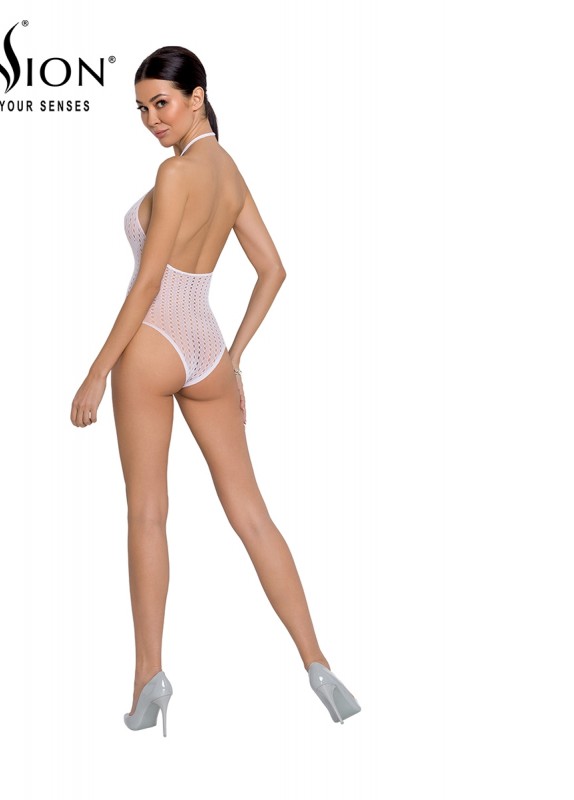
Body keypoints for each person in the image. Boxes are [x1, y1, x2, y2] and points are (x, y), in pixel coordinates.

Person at [69, 45, 360, 735]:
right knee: (252, 514)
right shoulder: (229, 172)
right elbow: (273, 269)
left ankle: (149, 677)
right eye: (141, 108)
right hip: (206, 348)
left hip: (153, 343)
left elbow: (148, 283)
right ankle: (319, 664)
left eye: (161, 103)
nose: (151, 120)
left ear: (197, 96)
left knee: (148, 513)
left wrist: (97, 370)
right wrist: (232, 358)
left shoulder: (175, 174)